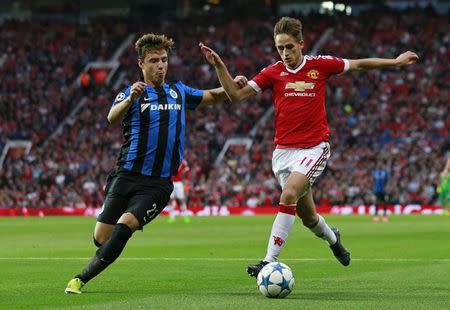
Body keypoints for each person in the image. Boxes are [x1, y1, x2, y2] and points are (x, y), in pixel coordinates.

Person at [200, 16, 418, 277]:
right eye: (280, 48)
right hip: (283, 153)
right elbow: (235, 96)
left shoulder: (320, 65)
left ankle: (268, 261)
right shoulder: (272, 72)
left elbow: (358, 65)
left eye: (289, 47)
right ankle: (333, 239)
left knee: (288, 194)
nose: (285, 53)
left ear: (301, 44)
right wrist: (220, 67)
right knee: (309, 218)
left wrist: (395, 62)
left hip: (314, 148)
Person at [65, 33, 247, 294]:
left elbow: (219, 96)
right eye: (153, 60)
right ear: (141, 64)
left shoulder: (178, 91)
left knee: (126, 224)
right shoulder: (132, 93)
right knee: (101, 239)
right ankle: (96, 260)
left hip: (157, 185)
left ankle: (79, 279)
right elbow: (111, 118)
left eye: (163, 59)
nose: (160, 65)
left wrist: (223, 71)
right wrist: (130, 100)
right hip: (125, 176)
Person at [167, 159, 191, 223]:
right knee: (171, 199)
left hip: (178, 183)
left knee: (181, 200)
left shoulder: (182, 161)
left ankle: (186, 216)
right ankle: (171, 217)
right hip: (170, 182)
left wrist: (187, 179)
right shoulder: (170, 160)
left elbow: (187, 169)